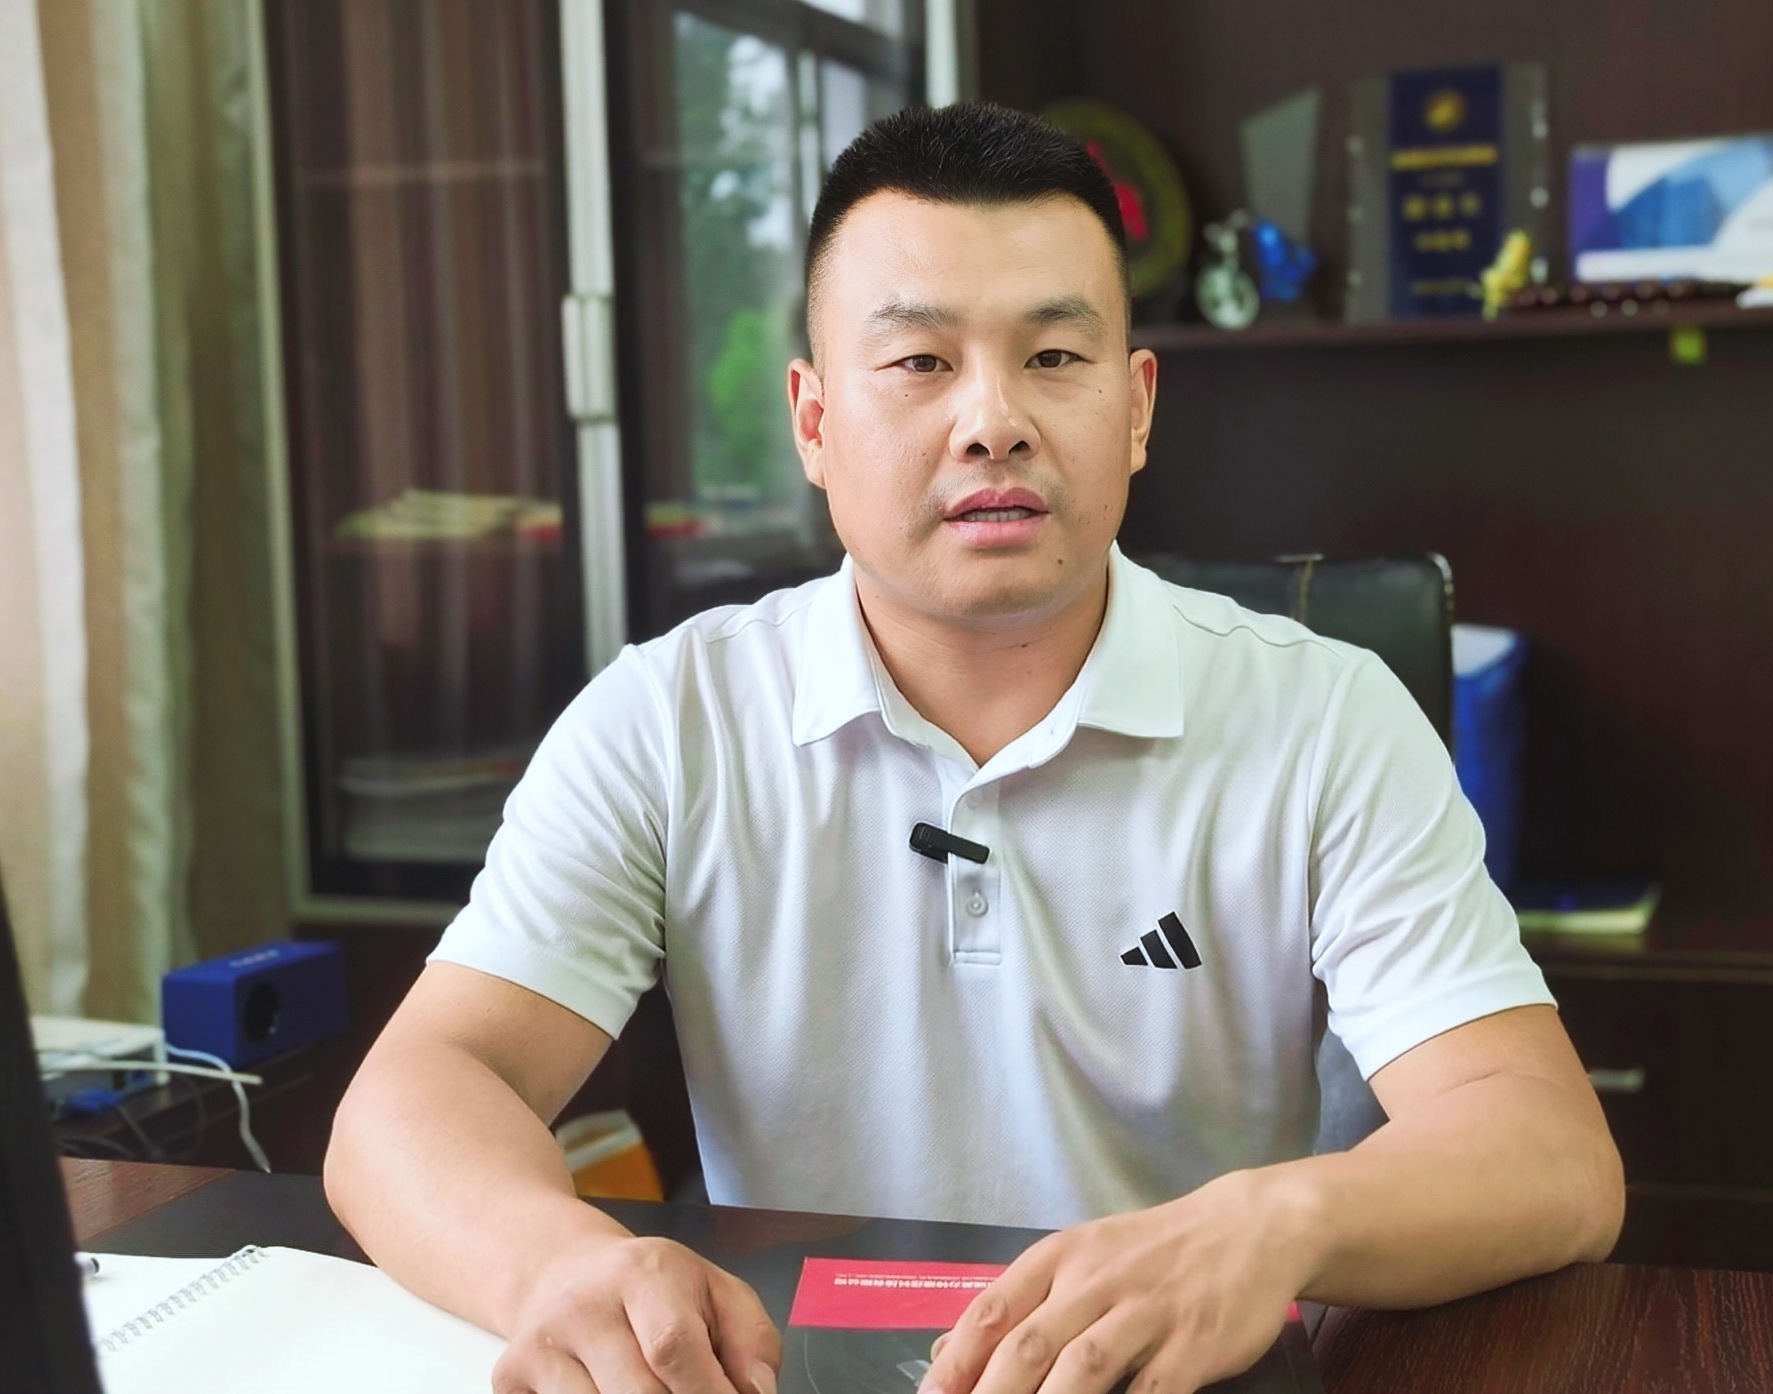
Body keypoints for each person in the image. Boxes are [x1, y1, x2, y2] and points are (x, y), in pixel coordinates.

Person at [324, 102, 1623, 1394]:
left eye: (1054, 355)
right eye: (919, 362)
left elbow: (1549, 1151)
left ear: (1137, 406)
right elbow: (418, 1093)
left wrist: (1272, 1221)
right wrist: (557, 1265)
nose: (993, 420)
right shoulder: (669, 718)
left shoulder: (1324, 716)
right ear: (814, 422)